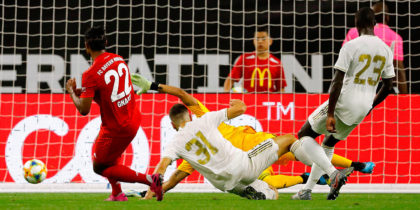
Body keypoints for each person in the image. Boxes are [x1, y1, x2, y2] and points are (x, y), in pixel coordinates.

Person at [131, 75, 356, 200]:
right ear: (189, 114)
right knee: (290, 140)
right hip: (246, 159)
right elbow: (237, 108)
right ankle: (332, 173)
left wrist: (150, 193)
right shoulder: (205, 119)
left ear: (171, 125)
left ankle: (264, 192)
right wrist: (153, 85)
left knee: (271, 193)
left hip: (228, 185)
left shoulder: (179, 147)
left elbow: (168, 173)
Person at [292, 7, 395, 201]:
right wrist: (370, 106)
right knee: (328, 143)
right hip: (363, 108)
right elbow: (389, 85)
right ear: (375, 24)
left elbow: (337, 81)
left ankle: (333, 174)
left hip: (344, 103)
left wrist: (330, 113)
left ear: (356, 25)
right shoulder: (385, 49)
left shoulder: (351, 45)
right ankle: (306, 191)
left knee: (304, 134)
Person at [65, 26, 163, 201]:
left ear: (86, 46)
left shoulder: (90, 74)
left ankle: (150, 180)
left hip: (117, 127)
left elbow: (83, 110)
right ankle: (117, 193)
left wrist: (72, 92)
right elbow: (109, 93)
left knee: (100, 167)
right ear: (106, 43)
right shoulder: (118, 59)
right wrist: (88, 92)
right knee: (107, 154)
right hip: (132, 117)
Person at [343, 1, 407, 93]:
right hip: (381, 88)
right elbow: (399, 70)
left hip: (354, 86)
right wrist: (405, 100)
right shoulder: (395, 37)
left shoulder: (354, 32)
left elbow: (343, 63)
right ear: (387, 17)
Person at [223, 26, 287, 93]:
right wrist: (226, 97)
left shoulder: (277, 63)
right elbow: (230, 80)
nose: (260, 41)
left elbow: (281, 88)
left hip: (267, 101)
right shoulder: (244, 58)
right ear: (254, 41)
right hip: (247, 100)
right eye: (257, 39)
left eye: (263, 39)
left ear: (270, 41)